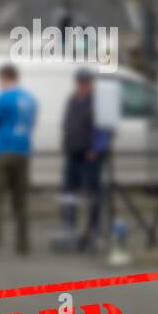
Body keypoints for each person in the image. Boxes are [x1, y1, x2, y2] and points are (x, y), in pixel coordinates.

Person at [0, 62, 38, 260]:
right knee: (20, 199)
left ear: (5, 77)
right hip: (23, 150)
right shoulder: (30, 99)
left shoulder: (2, 98)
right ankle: (23, 244)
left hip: (3, 149)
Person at [61, 68, 106, 250]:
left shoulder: (97, 102)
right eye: (79, 82)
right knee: (69, 192)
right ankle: (69, 226)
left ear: (90, 84)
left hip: (90, 155)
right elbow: (67, 123)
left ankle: (93, 229)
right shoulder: (72, 100)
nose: (82, 86)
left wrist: (96, 149)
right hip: (73, 152)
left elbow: (103, 128)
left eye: (85, 83)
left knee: (93, 192)